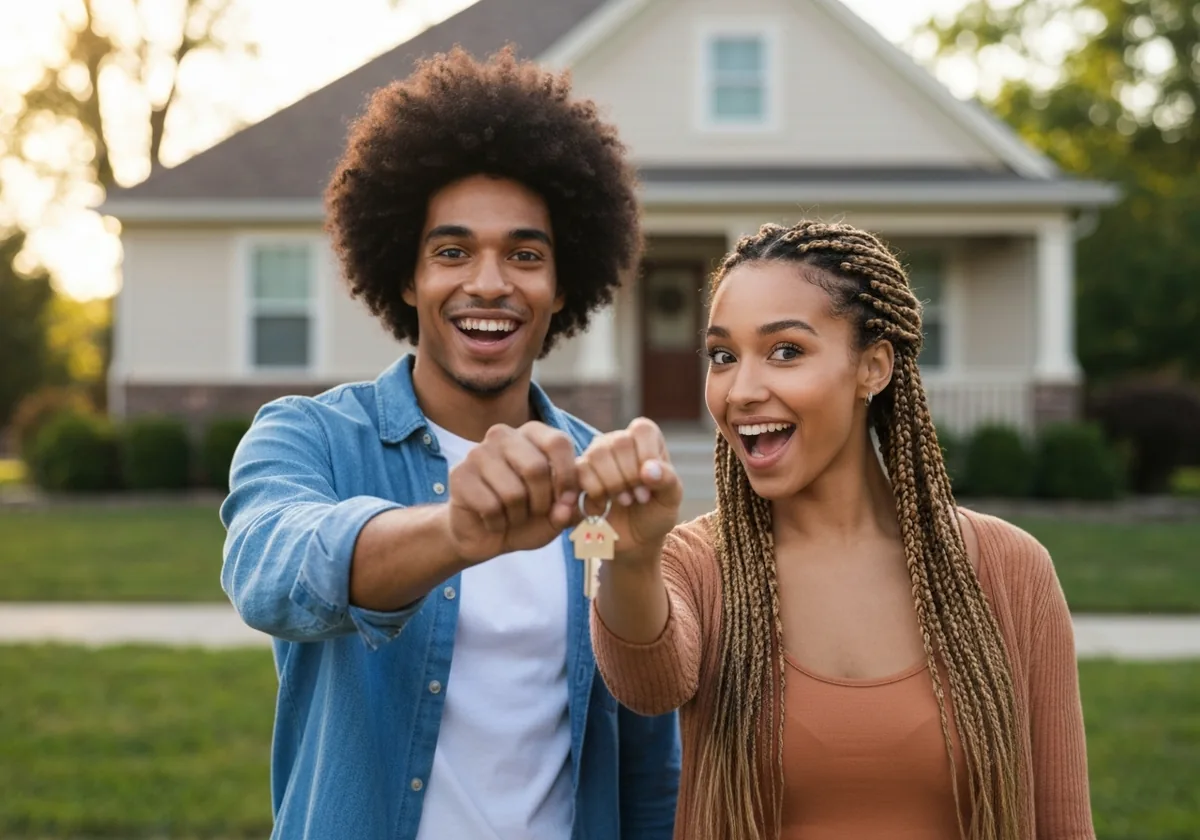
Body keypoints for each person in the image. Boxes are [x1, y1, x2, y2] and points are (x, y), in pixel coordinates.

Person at [220, 47, 680, 840]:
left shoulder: (604, 483)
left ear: (563, 287)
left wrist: (639, 561)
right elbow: (271, 571)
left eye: (526, 255)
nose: (491, 283)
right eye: (453, 251)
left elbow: (648, 756)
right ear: (407, 275)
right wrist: (454, 534)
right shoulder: (307, 436)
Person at [572, 221, 1094, 840]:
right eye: (723, 356)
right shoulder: (698, 565)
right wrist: (630, 557)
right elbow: (649, 684)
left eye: (785, 351)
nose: (741, 390)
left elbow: (1063, 824)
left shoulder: (1012, 571)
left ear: (873, 367)